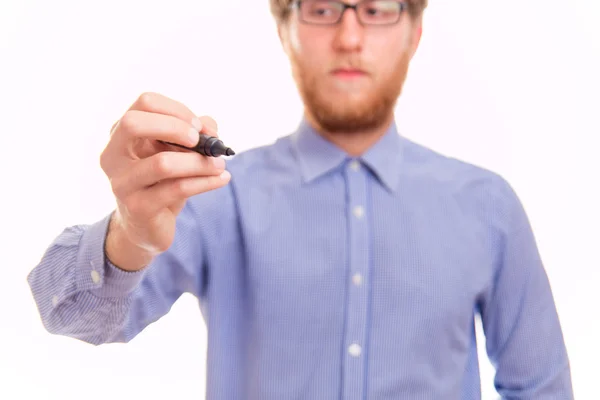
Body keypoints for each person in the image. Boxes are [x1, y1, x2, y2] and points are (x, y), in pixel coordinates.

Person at [27, 0, 574, 398]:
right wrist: (128, 233)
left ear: (415, 31)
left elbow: (543, 390)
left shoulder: (488, 206)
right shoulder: (216, 195)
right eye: (322, 9)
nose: (350, 37)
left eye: (378, 9)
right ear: (283, 25)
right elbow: (71, 315)